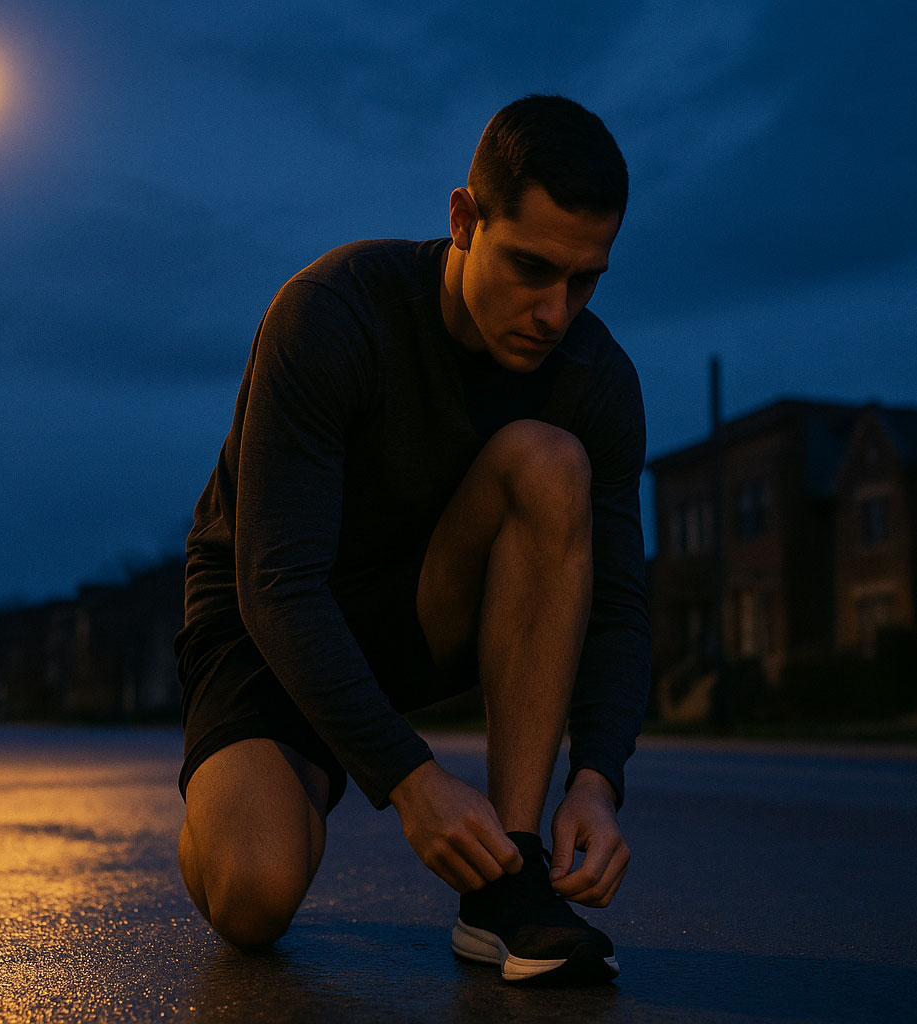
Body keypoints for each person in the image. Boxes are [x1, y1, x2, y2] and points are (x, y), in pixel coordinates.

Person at [174, 94, 650, 985]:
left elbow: (619, 605)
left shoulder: (595, 378)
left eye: (583, 280)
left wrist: (597, 779)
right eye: (532, 267)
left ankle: (506, 888)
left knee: (550, 460)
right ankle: (229, 804)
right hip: (264, 627)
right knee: (254, 900)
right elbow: (276, 584)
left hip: (420, 614)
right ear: (465, 220)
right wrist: (410, 780)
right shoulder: (332, 314)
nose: (554, 312)